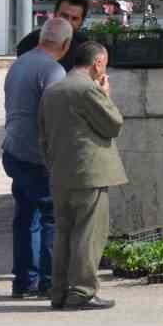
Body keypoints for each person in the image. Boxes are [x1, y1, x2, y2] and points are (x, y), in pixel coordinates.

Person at [39, 41, 126, 310]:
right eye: (104, 63)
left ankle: (59, 292)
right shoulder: (88, 88)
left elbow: (42, 135)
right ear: (97, 62)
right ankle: (82, 292)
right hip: (89, 174)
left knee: (64, 233)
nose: (104, 69)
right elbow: (113, 124)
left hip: (60, 173)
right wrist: (106, 95)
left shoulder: (53, 90)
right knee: (89, 235)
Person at [1, 17, 71, 299]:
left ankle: (23, 282)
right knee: (52, 217)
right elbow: (56, 119)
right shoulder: (53, 70)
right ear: (65, 44)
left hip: (14, 151)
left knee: (25, 218)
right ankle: (49, 283)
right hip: (37, 158)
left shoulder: (19, 64)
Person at [16, 0, 91, 72]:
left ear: (82, 22)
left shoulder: (85, 47)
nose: (68, 22)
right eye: (64, 16)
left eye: (74, 19)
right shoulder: (29, 42)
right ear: (55, 14)